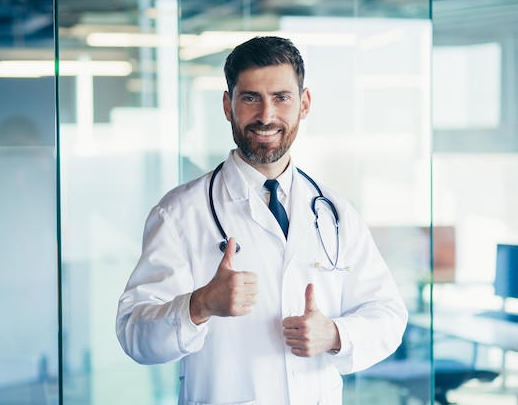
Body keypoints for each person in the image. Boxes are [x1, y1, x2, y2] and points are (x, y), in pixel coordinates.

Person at [116, 36, 408, 405]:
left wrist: (335, 335)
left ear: (304, 104)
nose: (266, 116)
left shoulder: (335, 212)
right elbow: (133, 334)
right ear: (228, 105)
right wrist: (200, 304)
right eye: (250, 98)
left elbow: (389, 315)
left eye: (281, 98)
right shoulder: (179, 213)